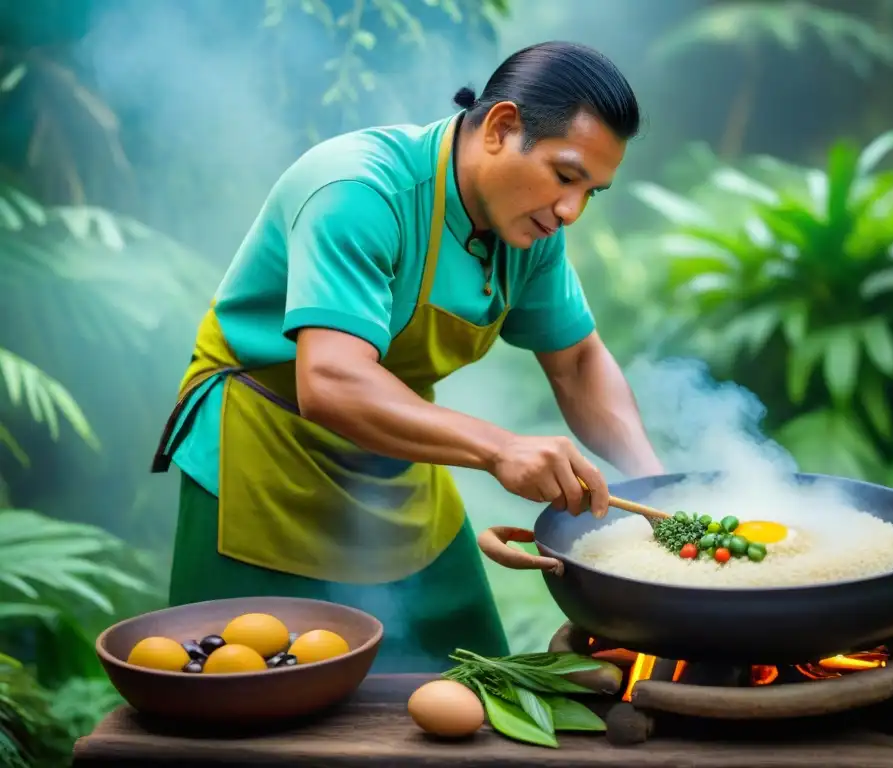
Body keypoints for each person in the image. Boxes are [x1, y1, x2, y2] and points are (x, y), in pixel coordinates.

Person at [151, 40, 663, 673]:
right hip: (267, 463)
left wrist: (659, 488)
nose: (571, 210)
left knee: (473, 679)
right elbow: (333, 381)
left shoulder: (530, 228)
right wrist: (501, 448)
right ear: (502, 127)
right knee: (247, 689)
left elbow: (578, 362)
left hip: (399, 458)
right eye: (565, 176)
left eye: (592, 192)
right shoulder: (358, 190)